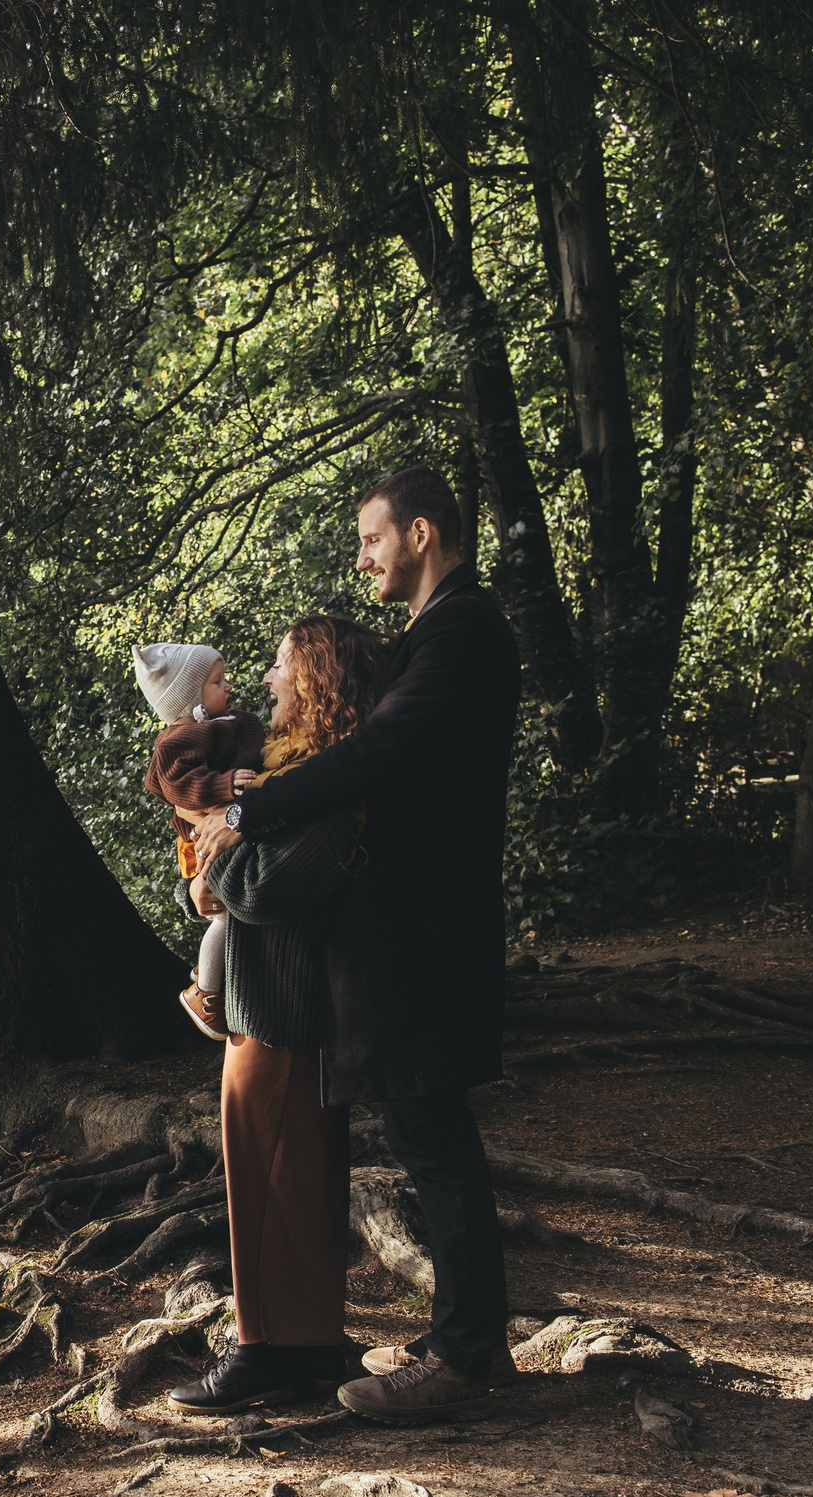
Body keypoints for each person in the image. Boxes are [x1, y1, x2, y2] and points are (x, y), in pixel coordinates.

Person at [192, 468, 523, 1424]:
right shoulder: (435, 634)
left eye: (373, 539)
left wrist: (254, 811)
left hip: (426, 927)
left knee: (434, 1139)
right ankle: (466, 1335)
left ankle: (464, 1357)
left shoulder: (463, 630)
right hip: (411, 928)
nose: (363, 556)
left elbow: (380, 756)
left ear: (421, 533)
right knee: (427, 1134)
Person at [164, 615, 386, 1414]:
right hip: (270, 1007)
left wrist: (220, 853)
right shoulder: (284, 771)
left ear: (318, 676)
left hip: (287, 1016)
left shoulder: (325, 783)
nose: (265, 679)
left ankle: (265, 1352)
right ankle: (311, 1341)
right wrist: (216, 848)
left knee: (269, 1183)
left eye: (282, 664)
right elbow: (226, 867)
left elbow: (262, 889)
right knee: (293, 1182)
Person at [133, 642, 266, 1041]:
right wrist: (223, 785)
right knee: (224, 915)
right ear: (190, 697)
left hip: (229, 829)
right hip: (200, 842)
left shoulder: (227, 722)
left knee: (232, 915)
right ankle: (204, 992)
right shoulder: (180, 738)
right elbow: (176, 786)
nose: (228, 687)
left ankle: (209, 975)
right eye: (217, 682)